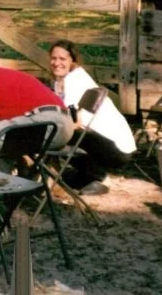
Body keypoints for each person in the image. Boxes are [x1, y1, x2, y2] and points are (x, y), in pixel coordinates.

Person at [49, 40, 136, 195]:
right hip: (105, 142)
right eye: (53, 58)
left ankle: (98, 176)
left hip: (117, 149)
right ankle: (84, 174)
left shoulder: (75, 80)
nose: (56, 63)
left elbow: (75, 122)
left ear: (73, 61)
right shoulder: (61, 81)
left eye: (62, 59)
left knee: (57, 132)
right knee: (57, 130)